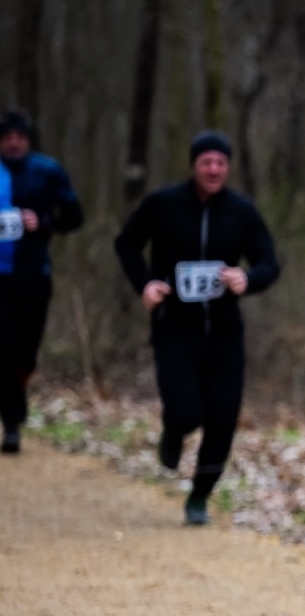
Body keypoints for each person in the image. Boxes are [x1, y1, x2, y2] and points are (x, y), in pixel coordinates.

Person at [114, 130, 280, 525]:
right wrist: (146, 285)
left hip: (225, 333)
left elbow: (270, 262)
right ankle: (174, 433)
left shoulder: (241, 211)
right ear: (194, 165)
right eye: (207, 161)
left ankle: (200, 497)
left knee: (223, 419)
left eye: (221, 162)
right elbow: (126, 244)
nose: (214, 168)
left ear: (228, 168)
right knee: (187, 411)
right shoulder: (163, 204)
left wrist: (247, 279)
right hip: (175, 329)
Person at [0, 109, 84, 453]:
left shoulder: (48, 171)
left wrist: (44, 222)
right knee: (2, 346)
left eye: (19, 136)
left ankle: (14, 397)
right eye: (7, 137)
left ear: (28, 140)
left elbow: (75, 216)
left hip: (34, 273)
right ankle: (12, 423)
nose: (13, 142)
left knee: (26, 351)